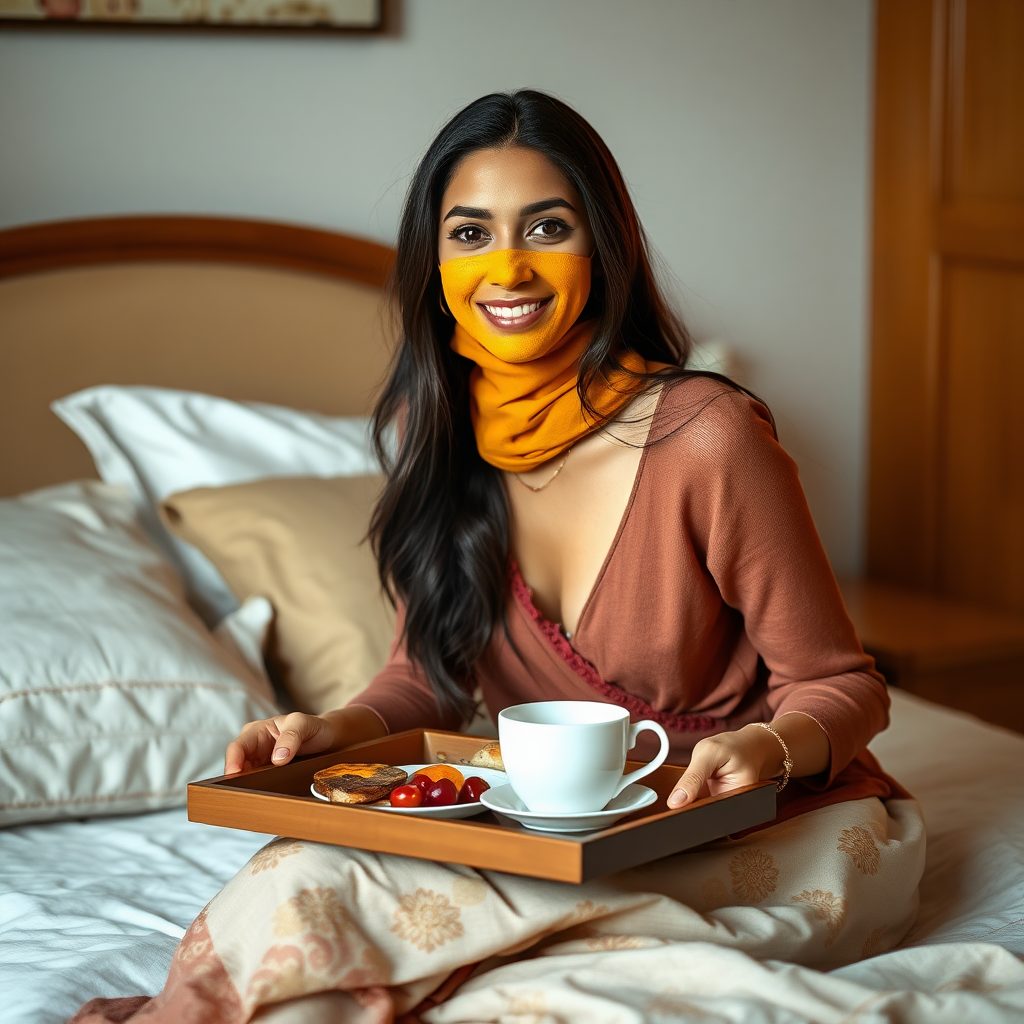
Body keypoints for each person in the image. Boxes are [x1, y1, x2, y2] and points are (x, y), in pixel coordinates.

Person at [74, 90, 923, 1024]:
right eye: (470, 234)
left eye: (547, 228)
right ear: (435, 262)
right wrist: (341, 730)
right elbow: (426, 681)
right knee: (308, 872)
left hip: (769, 828)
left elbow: (843, 685)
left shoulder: (708, 438)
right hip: (557, 839)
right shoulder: (435, 433)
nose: (507, 267)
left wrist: (765, 747)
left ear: (604, 249)